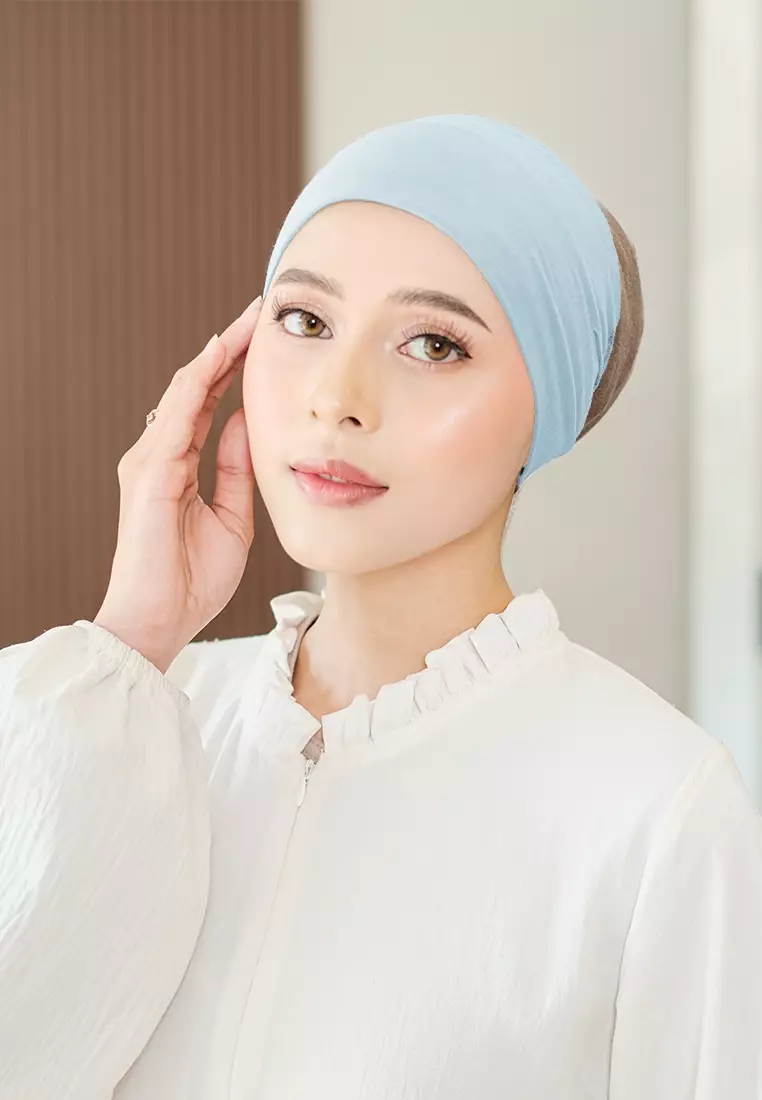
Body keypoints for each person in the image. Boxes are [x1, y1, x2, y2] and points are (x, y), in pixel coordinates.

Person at [1, 115, 761, 1099]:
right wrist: (130, 641)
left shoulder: (656, 807)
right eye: (305, 321)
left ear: (552, 409)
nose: (338, 397)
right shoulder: (136, 712)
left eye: (434, 343)